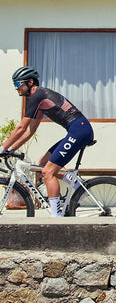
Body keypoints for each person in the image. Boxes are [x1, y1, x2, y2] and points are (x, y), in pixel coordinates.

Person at [0, 66, 94, 217]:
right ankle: (79, 187)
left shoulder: (38, 95)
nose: (16, 89)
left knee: (47, 172)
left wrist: (2, 147)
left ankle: (56, 216)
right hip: (78, 130)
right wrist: (11, 149)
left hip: (80, 131)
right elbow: (30, 131)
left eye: (18, 85)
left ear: (30, 82)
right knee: (43, 162)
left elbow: (21, 127)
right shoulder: (39, 99)